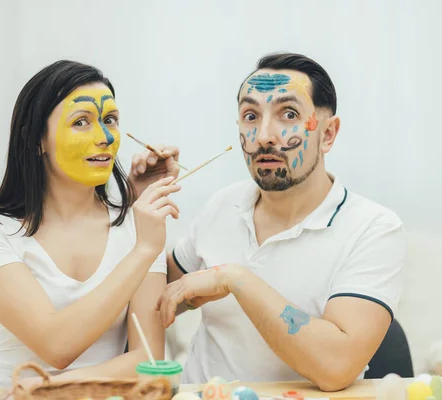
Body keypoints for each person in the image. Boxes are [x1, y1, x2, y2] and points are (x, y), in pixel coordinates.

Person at [153, 53, 407, 391]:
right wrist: (139, 206)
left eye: (288, 114)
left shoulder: (373, 228)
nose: (264, 136)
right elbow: (152, 302)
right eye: (250, 116)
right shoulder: (223, 204)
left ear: (328, 134)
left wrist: (236, 279)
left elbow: (337, 366)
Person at [0, 60, 181, 388]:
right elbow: (56, 344)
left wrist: (52, 389)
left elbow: (148, 360)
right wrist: (143, 249)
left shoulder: (138, 225)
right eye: (81, 122)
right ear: (37, 140)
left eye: (110, 120)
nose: (105, 136)